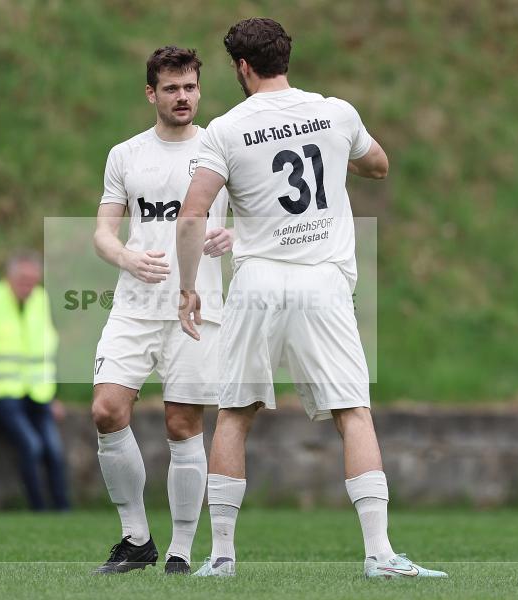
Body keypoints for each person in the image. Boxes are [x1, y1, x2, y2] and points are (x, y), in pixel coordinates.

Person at [176, 18, 447, 579]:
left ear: (242, 68)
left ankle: (221, 558)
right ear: (285, 59)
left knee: (233, 415)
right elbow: (379, 165)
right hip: (322, 280)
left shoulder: (223, 130)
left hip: (257, 282)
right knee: (353, 412)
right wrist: (333, 154)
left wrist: (187, 287)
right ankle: (379, 554)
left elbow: (194, 212)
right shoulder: (336, 112)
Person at [90, 46, 232, 575]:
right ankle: (136, 537)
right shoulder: (125, 154)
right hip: (134, 307)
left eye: (190, 87)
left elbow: (263, 217)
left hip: (196, 308)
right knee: (106, 409)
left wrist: (232, 235)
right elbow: (103, 232)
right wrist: (126, 255)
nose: (183, 97)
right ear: (152, 93)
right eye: (171, 88)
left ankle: (180, 550)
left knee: (182, 424)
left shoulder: (220, 149)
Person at [0, 251, 71, 512]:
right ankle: (39, 511)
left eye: (33, 280)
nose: (28, 286)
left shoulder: (42, 299)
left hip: (37, 393)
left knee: (54, 450)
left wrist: (54, 395)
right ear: (8, 277)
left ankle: (64, 511)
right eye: (22, 279)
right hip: (1, 393)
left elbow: (47, 351)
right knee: (31, 445)